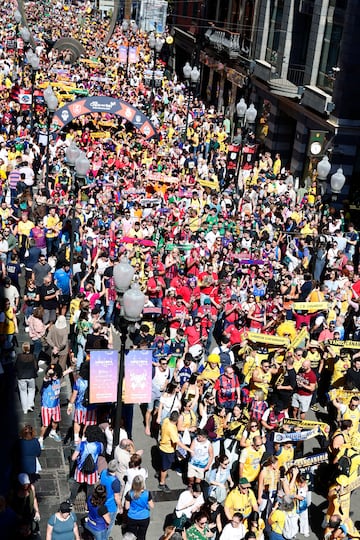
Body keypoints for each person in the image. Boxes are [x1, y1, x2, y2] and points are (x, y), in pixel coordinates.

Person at [69, 425, 104, 505]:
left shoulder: (81, 445)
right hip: (92, 469)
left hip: (81, 468)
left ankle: (71, 500)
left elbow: (73, 458)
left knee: (77, 484)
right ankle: (88, 503)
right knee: (90, 487)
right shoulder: (100, 445)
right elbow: (100, 453)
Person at [158, 411, 193, 493]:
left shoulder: (166, 420)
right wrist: (189, 450)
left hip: (162, 446)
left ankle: (161, 474)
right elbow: (179, 443)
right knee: (165, 467)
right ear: (176, 420)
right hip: (167, 449)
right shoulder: (172, 429)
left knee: (164, 464)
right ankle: (162, 483)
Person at [124, 475, 154, 540]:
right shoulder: (147, 493)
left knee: (132, 536)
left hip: (132, 517)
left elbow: (127, 507)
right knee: (142, 535)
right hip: (144, 517)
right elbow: (152, 506)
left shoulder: (129, 493)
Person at [99, 459, 122, 539]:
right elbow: (117, 497)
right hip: (110, 506)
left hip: (102, 502)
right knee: (109, 524)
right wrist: (120, 507)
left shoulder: (103, 472)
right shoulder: (116, 482)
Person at [15, 342, 38, 414]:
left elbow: (16, 366)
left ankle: (24, 409)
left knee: (23, 392)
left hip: (21, 376)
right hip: (31, 376)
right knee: (31, 390)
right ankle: (30, 405)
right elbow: (36, 367)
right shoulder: (33, 356)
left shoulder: (19, 356)